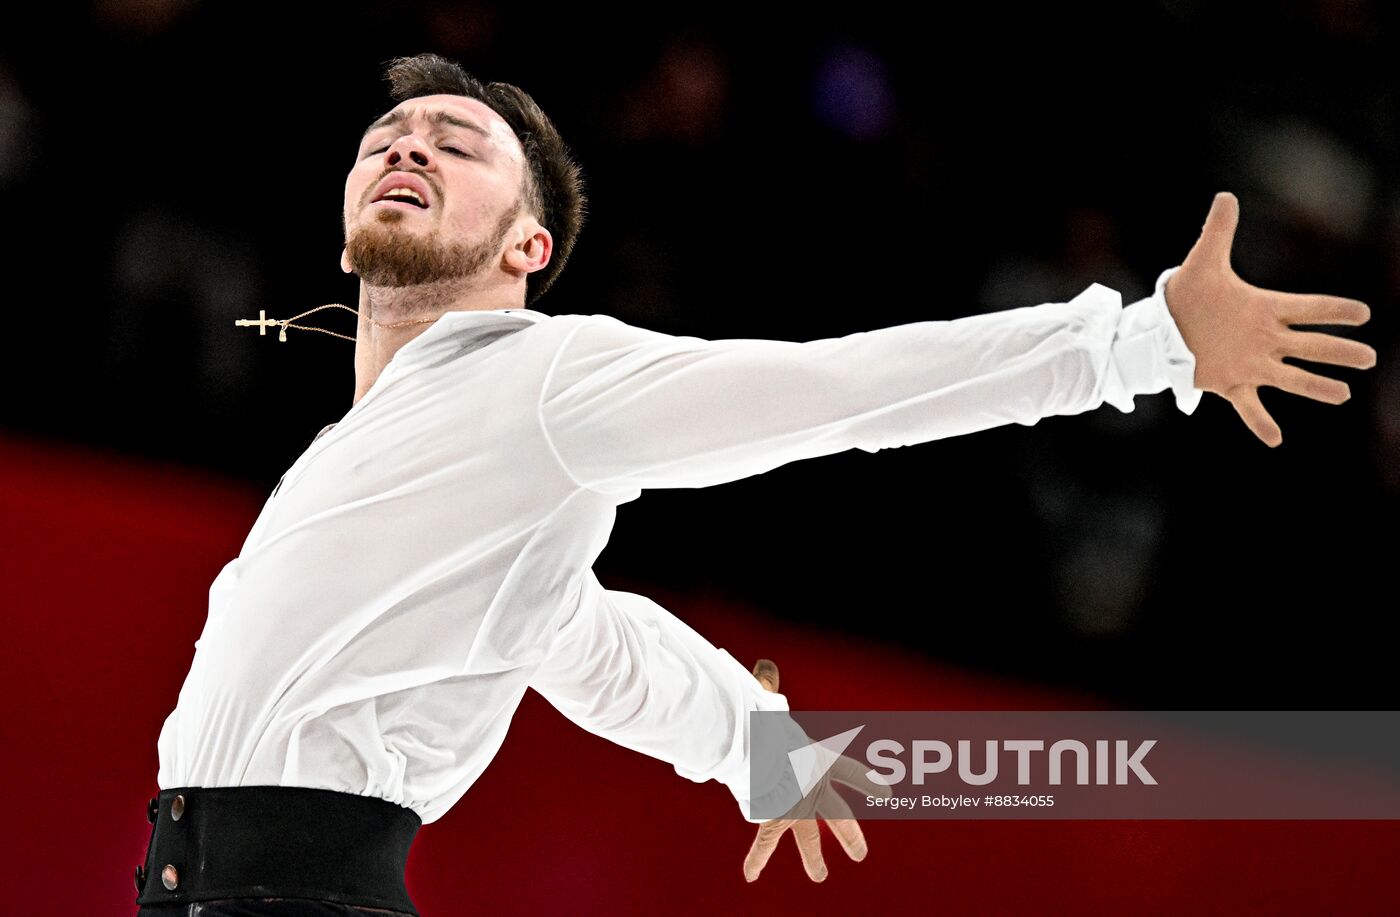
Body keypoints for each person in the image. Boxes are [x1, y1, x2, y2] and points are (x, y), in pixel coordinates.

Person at [135, 52, 1376, 915]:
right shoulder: (385, 453)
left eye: (454, 144)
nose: (407, 146)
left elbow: (831, 395)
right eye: (387, 139)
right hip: (202, 887)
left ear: (529, 245)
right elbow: (580, 634)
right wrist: (747, 737)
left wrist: (1132, 344)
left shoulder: (541, 378)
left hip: (293, 892)